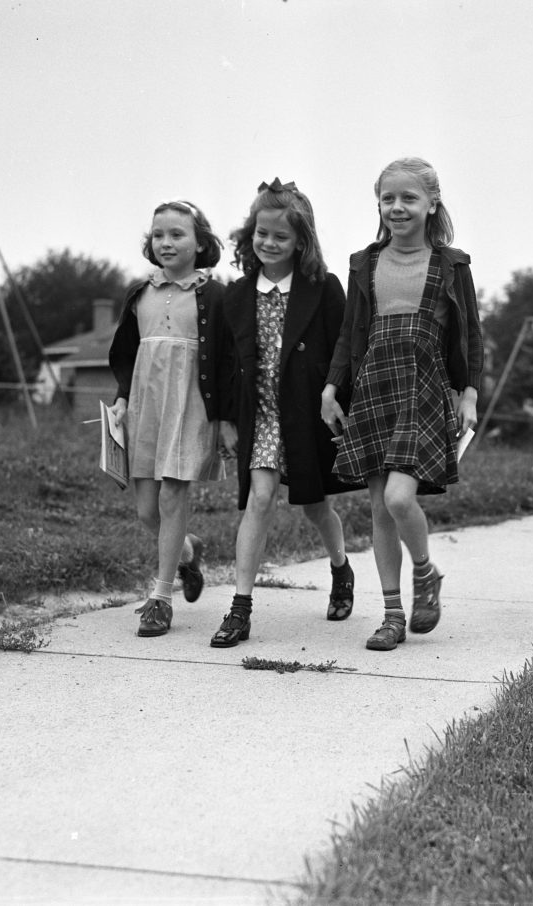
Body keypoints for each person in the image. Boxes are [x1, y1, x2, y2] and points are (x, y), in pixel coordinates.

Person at [320, 158, 483, 651]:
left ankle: (426, 572)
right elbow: (351, 334)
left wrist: (470, 393)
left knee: (398, 498)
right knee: (377, 505)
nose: (397, 207)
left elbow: (470, 335)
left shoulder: (451, 264)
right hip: (373, 385)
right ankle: (392, 615)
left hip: (424, 386)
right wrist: (332, 387)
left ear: (432, 203)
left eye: (408, 198)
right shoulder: (363, 263)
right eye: (388, 199)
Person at [211, 178, 360, 648]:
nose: (269, 243)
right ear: (249, 234)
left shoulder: (324, 289)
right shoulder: (234, 296)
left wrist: (341, 404)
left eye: (280, 236)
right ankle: (240, 609)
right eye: (261, 234)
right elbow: (217, 364)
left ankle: (341, 568)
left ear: (301, 241)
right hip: (262, 417)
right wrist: (226, 420)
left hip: (307, 413)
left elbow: (345, 350)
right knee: (260, 498)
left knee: (316, 507)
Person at [108, 200, 237, 638]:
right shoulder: (140, 292)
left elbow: (226, 361)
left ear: (200, 243)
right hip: (146, 407)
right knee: (147, 510)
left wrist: (226, 419)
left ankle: (161, 598)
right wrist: (122, 398)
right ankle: (187, 550)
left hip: (190, 406)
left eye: (177, 234)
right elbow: (126, 353)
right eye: (159, 234)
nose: (166, 242)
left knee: (172, 498)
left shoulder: (214, 296)